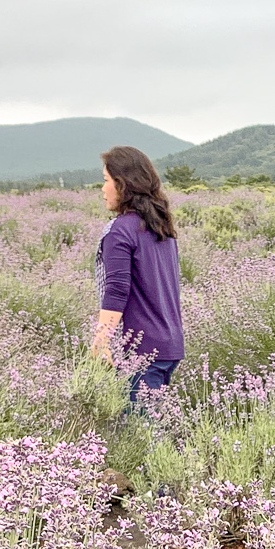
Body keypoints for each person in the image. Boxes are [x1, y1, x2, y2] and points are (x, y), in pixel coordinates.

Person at [90, 146, 183, 407]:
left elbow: (117, 289)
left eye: (106, 180)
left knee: (138, 428)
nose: (103, 189)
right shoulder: (160, 226)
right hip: (169, 345)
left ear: (123, 184)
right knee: (151, 422)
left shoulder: (119, 230)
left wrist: (101, 340)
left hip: (140, 351)